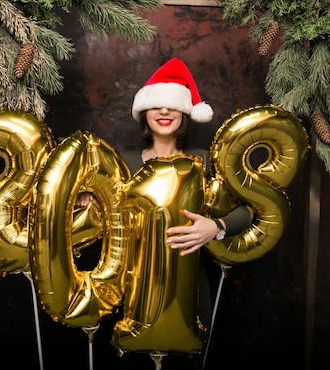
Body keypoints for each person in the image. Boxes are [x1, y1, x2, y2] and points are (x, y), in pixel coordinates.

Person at [77, 57, 253, 369]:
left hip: (190, 295)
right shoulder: (122, 163)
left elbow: (247, 210)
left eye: (171, 106)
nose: (164, 112)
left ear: (184, 114)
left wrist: (216, 226)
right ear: (144, 114)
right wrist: (90, 199)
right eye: (157, 106)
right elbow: (98, 212)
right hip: (128, 293)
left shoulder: (202, 161)